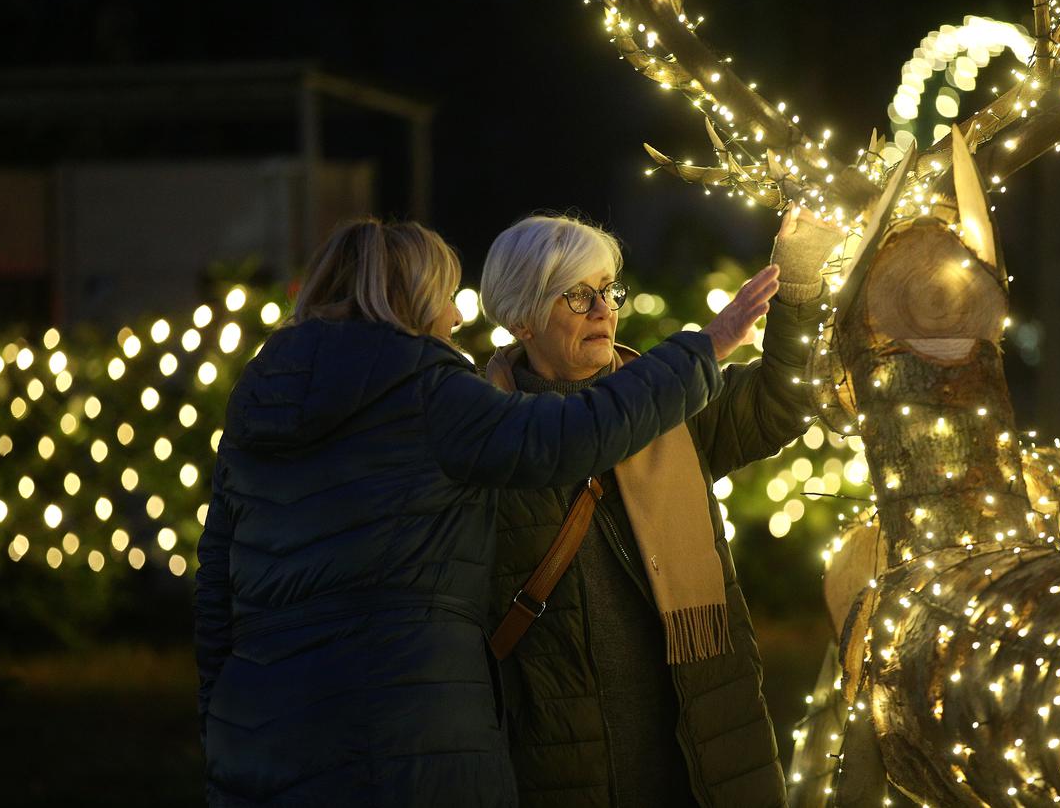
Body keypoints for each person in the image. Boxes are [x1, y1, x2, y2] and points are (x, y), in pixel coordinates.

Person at [192, 217, 778, 807]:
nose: (456, 316)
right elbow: (569, 434)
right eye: (446, 296)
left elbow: (215, 585)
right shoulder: (428, 389)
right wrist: (705, 346)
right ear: (413, 301)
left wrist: (224, 721)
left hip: (260, 737)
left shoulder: (259, 396)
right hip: (412, 735)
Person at [480, 211, 829, 808]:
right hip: (564, 763)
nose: (603, 310)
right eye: (577, 295)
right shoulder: (487, 438)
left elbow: (781, 401)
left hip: (703, 747)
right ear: (520, 318)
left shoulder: (673, 397)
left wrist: (796, 284)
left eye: (608, 290)